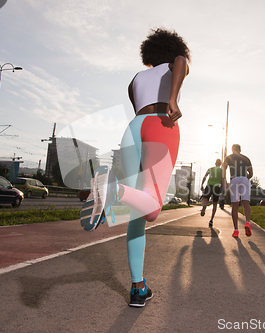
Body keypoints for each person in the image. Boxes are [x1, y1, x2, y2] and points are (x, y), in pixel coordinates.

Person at [80, 28, 190, 307]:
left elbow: (138, 107)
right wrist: (174, 98)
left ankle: (138, 288)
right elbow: (181, 61)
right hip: (161, 126)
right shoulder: (174, 62)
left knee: (138, 212)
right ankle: (112, 190)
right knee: (152, 208)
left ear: (149, 53)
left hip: (133, 130)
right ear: (172, 48)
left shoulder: (136, 79)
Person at [222, 144, 253, 238]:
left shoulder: (228, 157)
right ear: (240, 150)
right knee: (246, 203)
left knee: (235, 205)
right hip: (245, 179)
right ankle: (247, 222)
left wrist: (224, 180)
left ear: (232, 150)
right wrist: (246, 178)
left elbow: (224, 168)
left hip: (234, 179)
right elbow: (251, 173)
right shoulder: (246, 158)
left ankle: (236, 230)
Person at [200, 159, 223, 227]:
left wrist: (202, 184)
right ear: (220, 164)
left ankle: (204, 206)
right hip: (217, 187)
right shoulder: (221, 170)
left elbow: (205, 176)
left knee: (204, 199)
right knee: (215, 204)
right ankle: (211, 219)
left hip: (209, 186)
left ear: (215, 163)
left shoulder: (211, 168)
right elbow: (223, 179)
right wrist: (223, 188)